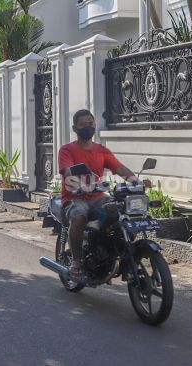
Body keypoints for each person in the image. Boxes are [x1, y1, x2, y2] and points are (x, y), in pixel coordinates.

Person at [58, 109, 147, 281]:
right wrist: (79, 184)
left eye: (90, 123)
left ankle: (119, 256)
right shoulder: (67, 150)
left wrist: (136, 182)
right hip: (74, 198)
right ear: (75, 128)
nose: (88, 127)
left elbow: (119, 168)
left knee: (124, 217)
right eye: (83, 125)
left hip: (98, 196)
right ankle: (76, 261)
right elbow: (67, 171)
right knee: (78, 217)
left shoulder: (101, 150)